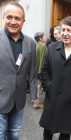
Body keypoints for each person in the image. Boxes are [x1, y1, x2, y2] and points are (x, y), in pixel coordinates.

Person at [0, 2, 37, 140]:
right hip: (0, 96)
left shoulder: (30, 42)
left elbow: (33, 70)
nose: (13, 22)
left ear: (23, 21)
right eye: (9, 17)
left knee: (14, 132)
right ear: (4, 18)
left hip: (19, 98)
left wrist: (33, 94)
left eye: (17, 18)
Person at [33, 32, 47, 109]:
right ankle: (36, 104)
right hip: (39, 71)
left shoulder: (33, 45)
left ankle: (35, 100)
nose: (45, 38)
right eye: (44, 37)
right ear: (41, 39)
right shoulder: (43, 47)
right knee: (38, 87)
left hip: (33, 70)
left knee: (34, 86)